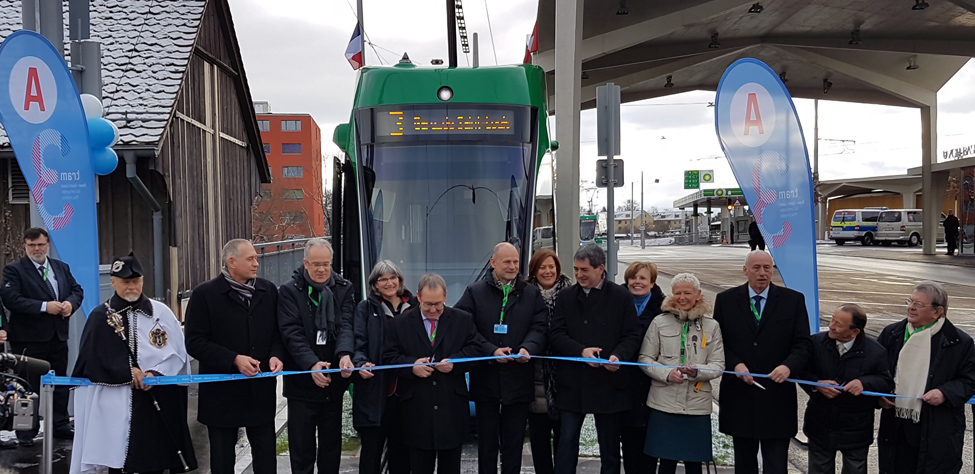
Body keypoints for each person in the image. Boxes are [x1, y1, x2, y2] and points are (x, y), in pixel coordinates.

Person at [70, 253, 197, 474]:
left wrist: (156, 373)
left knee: (155, 457)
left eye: (136, 281)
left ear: (143, 281)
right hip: (117, 400)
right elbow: (91, 358)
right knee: (118, 458)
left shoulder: (161, 313)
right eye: (125, 282)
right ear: (113, 283)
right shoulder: (100, 316)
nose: (131, 287)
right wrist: (128, 372)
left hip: (156, 397)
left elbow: (178, 353)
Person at [185, 239, 285, 474]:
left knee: (265, 458)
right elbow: (195, 342)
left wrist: (276, 355)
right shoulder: (205, 295)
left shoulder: (268, 290)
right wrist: (233, 359)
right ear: (231, 262)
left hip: (259, 392)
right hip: (221, 395)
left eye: (256, 258)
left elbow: (278, 334)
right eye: (250, 258)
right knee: (222, 461)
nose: (256, 263)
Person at [712, 250, 811, 474]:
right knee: (744, 465)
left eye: (767, 268)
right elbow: (718, 342)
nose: (763, 273)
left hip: (777, 397)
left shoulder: (793, 300)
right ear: (745, 270)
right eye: (756, 268)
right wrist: (735, 364)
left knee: (776, 465)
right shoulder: (726, 300)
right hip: (740, 396)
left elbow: (803, 343)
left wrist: (788, 366)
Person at [549, 243, 642, 474]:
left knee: (609, 446)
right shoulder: (566, 296)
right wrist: (581, 351)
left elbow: (632, 335)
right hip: (573, 383)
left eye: (584, 270)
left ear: (600, 269)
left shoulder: (620, 296)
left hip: (609, 383)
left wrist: (618, 356)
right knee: (567, 440)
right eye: (576, 269)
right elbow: (556, 334)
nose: (579, 275)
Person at [454, 242, 547, 474]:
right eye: (507, 261)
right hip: (486, 379)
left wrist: (528, 348)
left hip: (519, 378)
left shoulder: (531, 293)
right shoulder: (474, 292)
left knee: (514, 442)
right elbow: (465, 328)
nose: (513, 266)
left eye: (516, 261)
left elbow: (540, 327)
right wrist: (490, 350)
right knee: (486, 442)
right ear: (493, 263)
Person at [383, 274, 482, 474]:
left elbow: (476, 350)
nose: (433, 310)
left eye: (438, 304)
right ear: (418, 297)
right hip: (416, 409)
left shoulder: (462, 320)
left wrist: (455, 363)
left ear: (445, 297)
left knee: (450, 467)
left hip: (451, 406)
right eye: (427, 304)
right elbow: (388, 357)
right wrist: (412, 366)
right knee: (419, 466)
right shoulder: (400, 323)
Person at [876, 282, 975, 474]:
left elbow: (970, 380)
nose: (911, 307)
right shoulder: (893, 334)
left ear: (938, 311)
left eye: (919, 304)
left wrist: (944, 392)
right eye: (910, 301)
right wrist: (880, 394)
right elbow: (875, 371)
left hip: (938, 427)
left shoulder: (958, 342)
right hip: (896, 425)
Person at [277, 238, 356, 474]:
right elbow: (292, 333)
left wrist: (344, 355)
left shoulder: (344, 288)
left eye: (326, 264)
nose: (321, 269)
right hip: (302, 382)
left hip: (332, 381)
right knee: (302, 449)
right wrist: (311, 364)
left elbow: (346, 326)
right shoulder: (289, 291)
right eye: (316, 264)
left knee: (331, 447)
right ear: (305, 264)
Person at [0, 227, 83, 443]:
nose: (37, 249)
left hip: (57, 336)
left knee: (60, 382)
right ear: (25, 246)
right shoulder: (14, 270)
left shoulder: (60, 267)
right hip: (28, 338)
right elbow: (12, 300)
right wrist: (45, 306)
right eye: (32, 245)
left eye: (41, 245)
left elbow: (77, 290)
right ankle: (27, 431)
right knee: (28, 385)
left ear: (48, 245)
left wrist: (70, 304)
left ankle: (60, 424)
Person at [638, 273, 724, 474]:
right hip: (664, 404)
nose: (682, 297)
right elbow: (644, 358)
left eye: (687, 292)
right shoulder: (659, 322)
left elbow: (718, 364)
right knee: (666, 464)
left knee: (694, 465)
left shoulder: (712, 326)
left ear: (698, 294)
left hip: (696, 406)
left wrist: (697, 372)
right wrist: (667, 373)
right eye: (677, 293)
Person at [799, 304, 893, 474]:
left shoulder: (875, 352)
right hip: (820, 421)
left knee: (855, 469)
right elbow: (801, 371)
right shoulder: (816, 343)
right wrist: (816, 384)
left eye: (838, 325)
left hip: (856, 426)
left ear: (854, 331)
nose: (831, 326)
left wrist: (864, 382)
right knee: (819, 467)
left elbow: (886, 381)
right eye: (832, 320)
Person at [352, 260, 418, 474]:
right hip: (377, 391)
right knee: (372, 452)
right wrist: (360, 363)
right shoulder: (365, 308)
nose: (389, 283)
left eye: (393, 278)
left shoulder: (415, 306)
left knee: (403, 451)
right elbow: (358, 342)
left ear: (400, 280)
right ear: (375, 284)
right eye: (383, 279)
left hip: (408, 391)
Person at [525, 248, 571, 474]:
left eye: (551, 266)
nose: (547, 271)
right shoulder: (523, 294)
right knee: (539, 438)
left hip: (565, 377)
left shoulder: (571, 293)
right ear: (534, 270)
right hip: (534, 374)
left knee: (565, 439)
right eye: (542, 267)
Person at [620, 261, 666, 474]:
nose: (637, 282)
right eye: (633, 278)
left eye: (642, 278)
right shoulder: (618, 303)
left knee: (649, 443)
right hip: (623, 384)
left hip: (652, 385)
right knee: (628, 442)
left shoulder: (663, 309)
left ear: (652, 283)